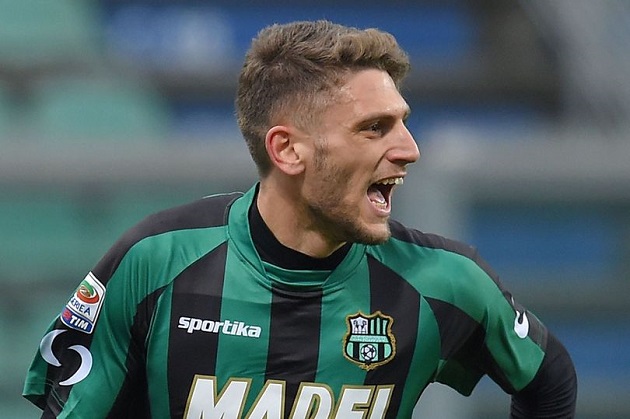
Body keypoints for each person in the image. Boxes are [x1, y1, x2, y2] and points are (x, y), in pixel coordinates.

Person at [23, 20, 577, 418]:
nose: (410, 149)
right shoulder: (156, 261)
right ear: (287, 150)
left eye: (403, 122)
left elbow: (549, 381)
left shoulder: (446, 281)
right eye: (374, 128)